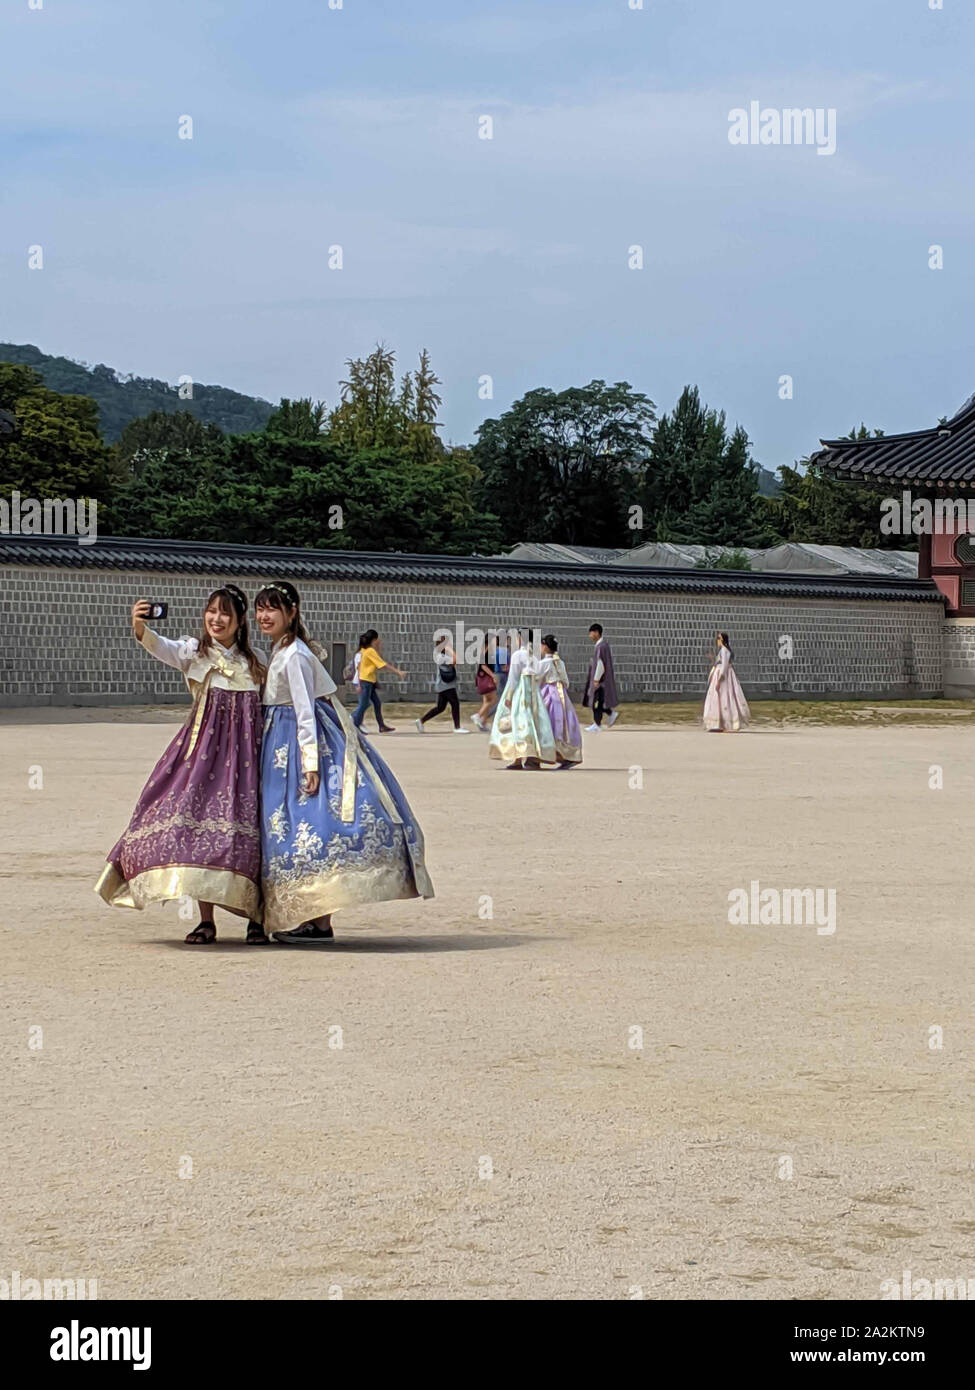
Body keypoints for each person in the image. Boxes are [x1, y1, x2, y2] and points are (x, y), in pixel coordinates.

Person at [255, 581, 434, 943]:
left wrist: (310, 764)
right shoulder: (283, 650)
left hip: (297, 743)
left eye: (273, 608)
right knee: (301, 827)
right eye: (260, 608)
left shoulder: (295, 656)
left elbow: (305, 711)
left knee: (310, 825)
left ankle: (318, 919)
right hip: (282, 741)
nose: (264, 615)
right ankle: (313, 918)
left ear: (292, 613)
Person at [96, 587, 268, 944]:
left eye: (225, 614)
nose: (216, 620)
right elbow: (159, 645)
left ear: (240, 622)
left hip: (249, 761)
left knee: (250, 836)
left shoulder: (255, 662)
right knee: (201, 833)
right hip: (202, 760)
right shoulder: (194, 652)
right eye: (211, 612)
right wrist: (139, 625)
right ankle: (206, 920)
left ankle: (256, 918)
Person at [488, 630, 557, 770]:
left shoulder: (518, 654)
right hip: (533, 692)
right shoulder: (534, 655)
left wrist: (508, 697)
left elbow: (513, 677)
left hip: (520, 690)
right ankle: (534, 758)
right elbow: (537, 674)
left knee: (518, 721)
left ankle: (518, 757)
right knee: (534, 723)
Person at [537, 635, 583, 768]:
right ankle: (567, 754)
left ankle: (549, 754)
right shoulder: (560, 662)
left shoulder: (543, 663)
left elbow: (537, 680)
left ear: (545, 647)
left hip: (549, 695)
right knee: (564, 723)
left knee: (547, 722)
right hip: (562, 695)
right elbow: (566, 682)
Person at [352, 630, 405, 732]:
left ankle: (381, 726)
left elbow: (377, 661)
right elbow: (382, 664)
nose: (379, 641)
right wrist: (398, 671)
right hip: (366, 681)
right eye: (377, 639)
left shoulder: (366, 650)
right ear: (374, 640)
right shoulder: (370, 651)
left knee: (376, 703)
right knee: (364, 704)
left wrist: (378, 647)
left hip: (369, 681)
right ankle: (355, 723)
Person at [415, 637, 470, 733]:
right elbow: (457, 660)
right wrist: (450, 649)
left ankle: (421, 721)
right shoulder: (440, 656)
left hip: (444, 685)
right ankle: (457, 727)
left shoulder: (443, 656)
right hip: (446, 686)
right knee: (455, 703)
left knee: (440, 708)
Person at [703, 631, 750, 732]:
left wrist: (719, 679)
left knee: (724, 698)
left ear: (722, 640)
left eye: (719, 639)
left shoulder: (724, 650)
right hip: (722, 673)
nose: (717, 641)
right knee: (720, 699)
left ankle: (726, 724)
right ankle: (720, 724)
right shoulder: (723, 651)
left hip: (724, 676)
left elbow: (724, 665)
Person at [582, 622, 620, 732]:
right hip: (602, 681)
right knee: (599, 701)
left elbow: (601, 663)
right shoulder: (603, 646)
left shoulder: (601, 646)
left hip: (600, 681)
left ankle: (597, 724)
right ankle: (610, 713)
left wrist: (596, 679)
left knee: (596, 702)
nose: (590, 636)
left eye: (591, 633)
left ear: (597, 633)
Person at [477, 630, 510, 729]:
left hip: (492, 676)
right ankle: (480, 716)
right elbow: (503, 667)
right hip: (500, 676)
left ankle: (482, 722)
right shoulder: (501, 651)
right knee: (498, 700)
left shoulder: (492, 651)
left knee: (487, 700)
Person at [470, 639, 498, 732]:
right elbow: (483, 666)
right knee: (493, 699)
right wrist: (493, 675)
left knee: (486, 701)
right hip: (487, 678)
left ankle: (483, 723)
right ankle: (478, 715)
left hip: (482, 678)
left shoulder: (484, 651)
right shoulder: (488, 652)